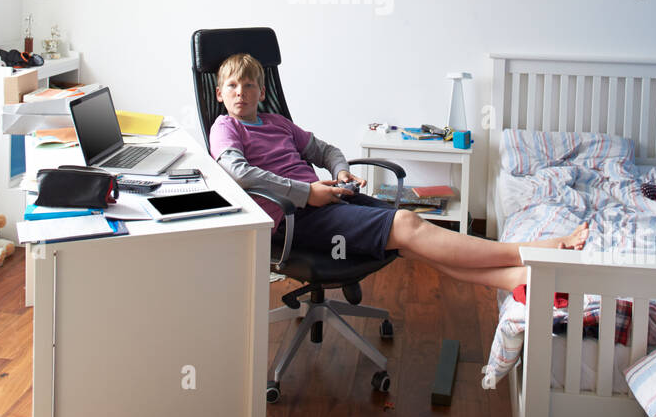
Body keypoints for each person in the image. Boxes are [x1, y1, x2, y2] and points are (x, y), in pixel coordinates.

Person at [210, 53, 588, 292]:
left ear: (262, 92)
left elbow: (325, 150)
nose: (240, 92)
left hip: (325, 199)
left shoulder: (277, 122)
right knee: (406, 224)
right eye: (232, 86)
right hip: (293, 219)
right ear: (219, 94)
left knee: (408, 240)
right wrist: (306, 193)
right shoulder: (227, 128)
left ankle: (512, 280)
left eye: (249, 85)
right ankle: (533, 252)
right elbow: (237, 171)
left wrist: (340, 172)